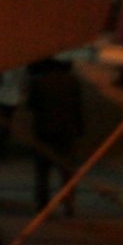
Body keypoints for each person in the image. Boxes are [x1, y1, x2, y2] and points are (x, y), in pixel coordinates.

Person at [24, 57, 86, 207]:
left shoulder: (38, 81)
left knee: (42, 169)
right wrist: (79, 128)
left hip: (44, 128)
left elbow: (31, 105)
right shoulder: (72, 81)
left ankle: (42, 201)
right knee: (66, 166)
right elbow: (77, 106)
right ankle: (68, 199)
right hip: (67, 128)